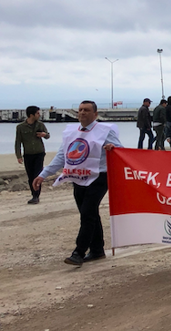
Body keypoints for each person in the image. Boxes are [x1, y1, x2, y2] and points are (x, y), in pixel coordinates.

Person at [32, 101, 122, 266]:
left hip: (99, 177)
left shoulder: (104, 131)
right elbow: (62, 156)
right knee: (89, 213)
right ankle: (97, 250)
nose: (82, 113)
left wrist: (112, 148)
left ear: (95, 114)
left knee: (88, 213)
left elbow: (120, 151)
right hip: (78, 178)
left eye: (87, 110)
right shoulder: (71, 132)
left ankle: (78, 252)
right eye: (80, 110)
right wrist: (43, 175)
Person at [15, 105, 50, 205]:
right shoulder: (20, 127)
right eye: (38, 113)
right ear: (31, 115)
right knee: (30, 176)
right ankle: (33, 194)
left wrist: (44, 135)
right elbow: (18, 142)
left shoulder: (40, 125)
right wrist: (18, 156)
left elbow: (48, 135)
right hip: (28, 154)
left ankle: (36, 196)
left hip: (39, 153)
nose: (39, 115)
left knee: (38, 174)